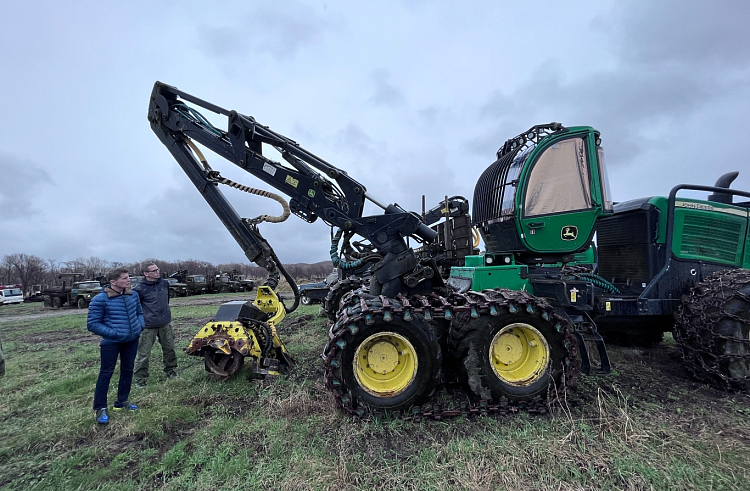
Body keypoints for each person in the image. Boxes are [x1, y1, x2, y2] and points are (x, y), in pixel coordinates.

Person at [87, 268, 144, 424]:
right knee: (106, 373)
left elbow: (139, 312)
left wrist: (140, 326)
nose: (128, 280)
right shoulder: (100, 299)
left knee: (127, 370)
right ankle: (100, 408)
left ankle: (122, 401)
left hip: (132, 340)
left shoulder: (133, 295)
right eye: (125, 278)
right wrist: (114, 333)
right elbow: (92, 324)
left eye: (128, 277)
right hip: (111, 342)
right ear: (113, 282)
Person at [133, 263, 178, 389]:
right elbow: (137, 308)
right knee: (143, 354)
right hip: (148, 327)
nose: (158, 272)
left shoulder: (164, 284)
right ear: (146, 273)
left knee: (170, 350)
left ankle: (171, 372)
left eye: (158, 269)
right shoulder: (139, 289)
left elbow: (166, 301)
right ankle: (140, 380)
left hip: (165, 323)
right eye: (155, 270)